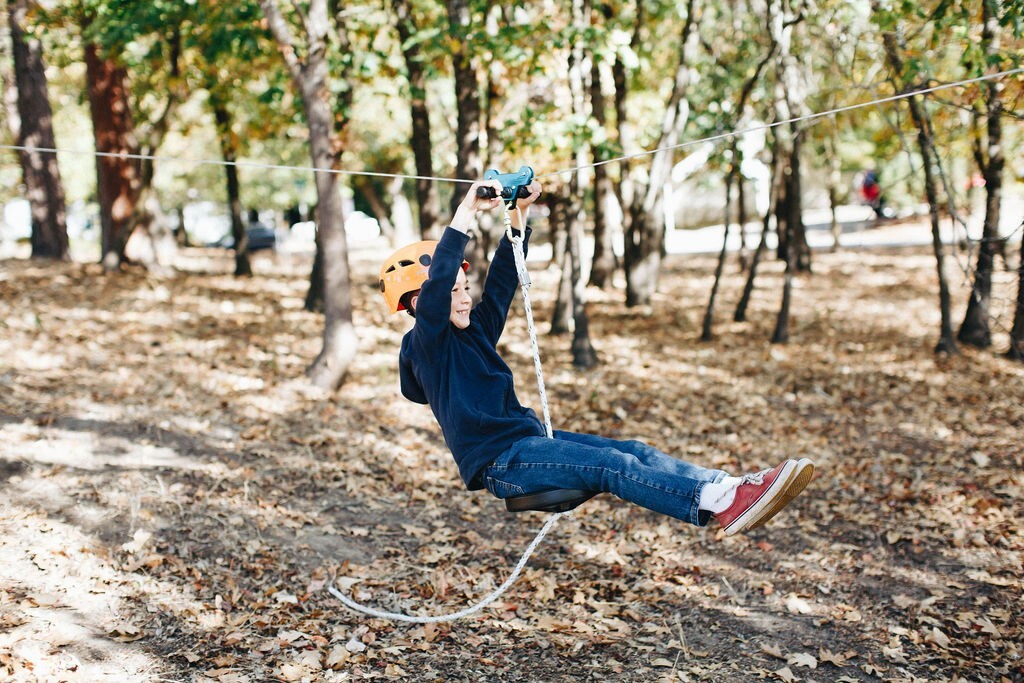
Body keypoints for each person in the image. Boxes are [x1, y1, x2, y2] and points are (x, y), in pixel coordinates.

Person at [378, 179, 813, 536]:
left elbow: (503, 281)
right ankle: (718, 503)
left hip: (529, 443)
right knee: (612, 465)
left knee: (632, 450)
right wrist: (467, 211)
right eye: (450, 291)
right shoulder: (427, 346)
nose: (463, 297)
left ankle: (728, 488)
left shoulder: (473, 332)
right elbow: (437, 292)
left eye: (463, 286)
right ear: (417, 304)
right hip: (504, 463)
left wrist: (518, 214)